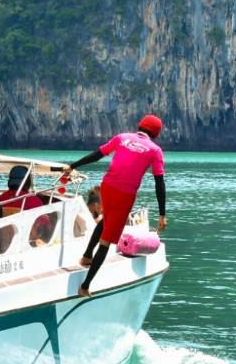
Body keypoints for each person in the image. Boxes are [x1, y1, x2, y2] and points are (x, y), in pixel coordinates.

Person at [63, 114, 168, 297]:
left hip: (107, 187)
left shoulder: (122, 137)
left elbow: (97, 155)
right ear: (156, 133)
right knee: (106, 242)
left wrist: (73, 165)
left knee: (106, 221)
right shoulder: (155, 150)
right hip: (124, 195)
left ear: (140, 126)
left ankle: (87, 256)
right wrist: (162, 214)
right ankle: (85, 287)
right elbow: (159, 183)